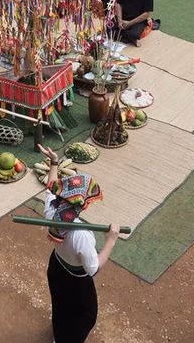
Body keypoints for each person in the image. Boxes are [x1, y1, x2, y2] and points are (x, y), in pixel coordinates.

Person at [36, 143, 119, 343]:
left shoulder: (53, 209)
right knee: (84, 317)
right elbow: (92, 269)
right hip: (76, 282)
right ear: (82, 204)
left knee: (61, 307)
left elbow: (51, 188)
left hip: (56, 268)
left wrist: (54, 163)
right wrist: (111, 241)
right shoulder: (80, 234)